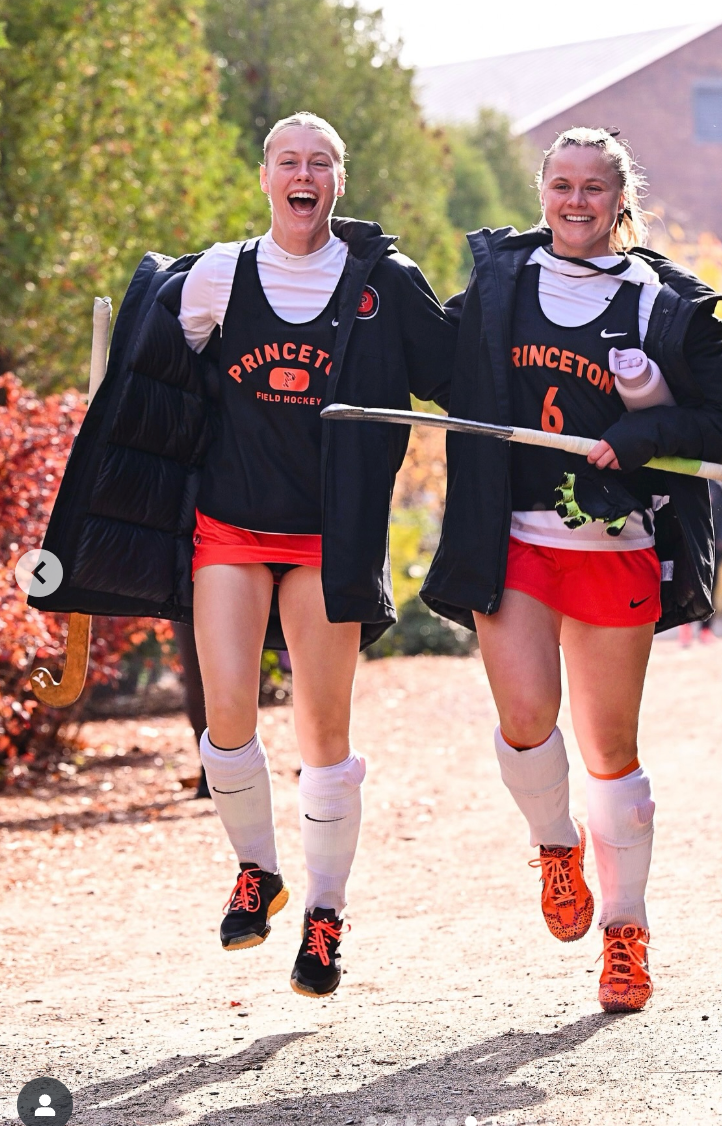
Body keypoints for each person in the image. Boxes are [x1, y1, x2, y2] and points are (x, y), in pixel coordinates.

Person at [31, 111, 455, 997]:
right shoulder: (218, 277)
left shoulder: (383, 282)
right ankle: (258, 872)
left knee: (322, 734)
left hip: (328, 537)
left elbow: (457, 374)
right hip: (228, 526)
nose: (304, 175)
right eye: (288, 161)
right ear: (265, 177)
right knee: (226, 721)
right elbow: (154, 383)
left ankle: (326, 916)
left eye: (321, 163)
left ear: (339, 181)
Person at [421, 127, 722, 1012]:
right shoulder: (502, 284)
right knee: (526, 719)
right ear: (543, 192)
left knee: (611, 753)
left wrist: (641, 435)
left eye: (593, 187)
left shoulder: (660, 302)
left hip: (615, 545)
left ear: (619, 199)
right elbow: (431, 365)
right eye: (561, 184)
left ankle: (625, 934)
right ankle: (555, 845)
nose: (575, 201)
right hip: (514, 541)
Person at [679, 478, 722, 645]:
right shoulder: (685, 483)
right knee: (687, 586)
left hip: (712, 546)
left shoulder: (717, 486)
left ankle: (706, 629)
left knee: (711, 587)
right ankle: (685, 626)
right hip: (689, 545)